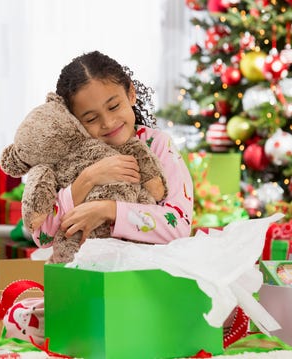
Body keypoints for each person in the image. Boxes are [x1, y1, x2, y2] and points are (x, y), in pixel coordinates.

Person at [32, 50, 193, 248]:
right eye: (91, 118)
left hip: (143, 271)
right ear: (74, 122)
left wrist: (109, 210)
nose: (108, 123)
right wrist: (87, 179)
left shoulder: (157, 145)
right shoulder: (69, 159)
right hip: (88, 272)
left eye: (114, 106)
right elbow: (42, 237)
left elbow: (178, 226)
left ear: (131, 94)